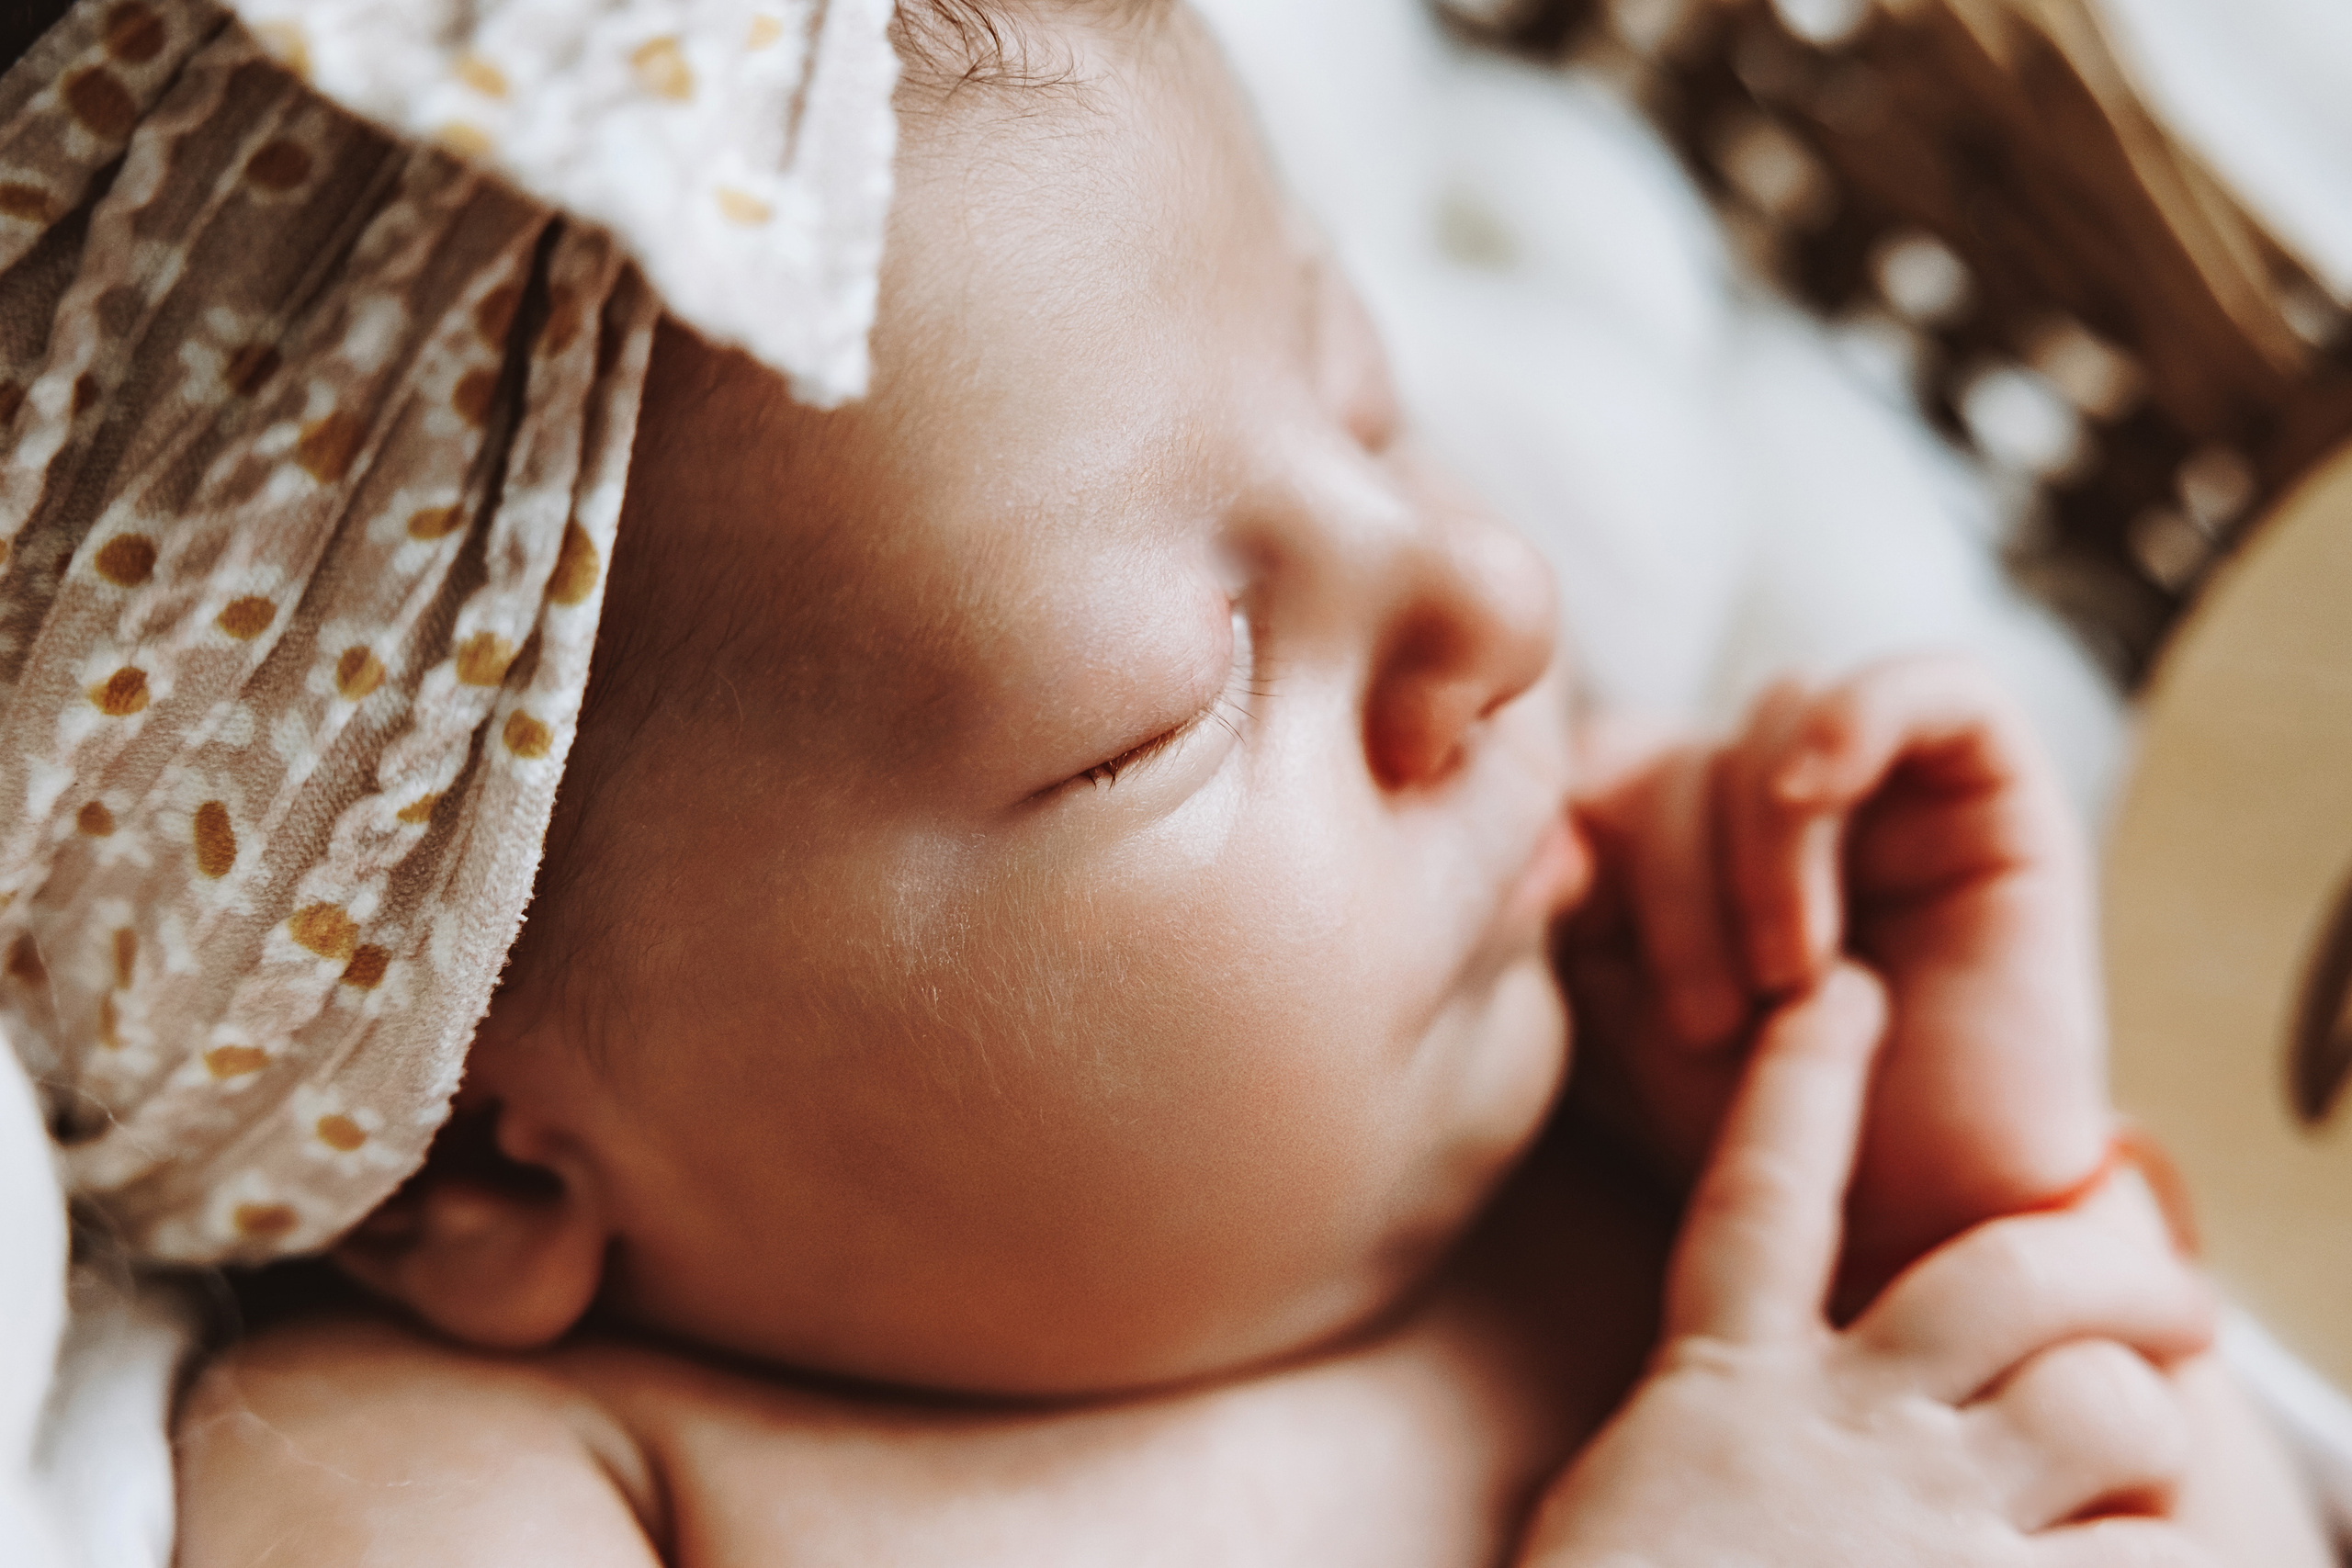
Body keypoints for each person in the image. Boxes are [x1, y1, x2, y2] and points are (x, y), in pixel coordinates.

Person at [147, 0, 2323, 1562]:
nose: (1488, 590)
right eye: (1164, 702)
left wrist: (1961, 1217)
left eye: (1365, 413)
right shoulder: (479, 1477)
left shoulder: (1632, 1162)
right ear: (483, 1165)